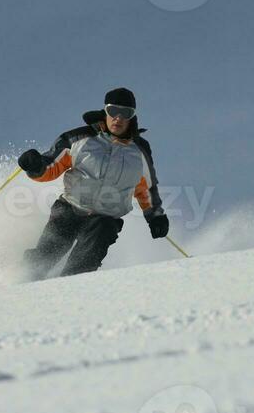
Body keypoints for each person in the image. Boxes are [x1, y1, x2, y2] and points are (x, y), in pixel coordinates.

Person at [16, 88, 170, 279]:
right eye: (113, 111)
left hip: (104, 220)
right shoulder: (79, 139)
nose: (118, 118)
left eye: (126, 113)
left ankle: (69, 294)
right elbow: (50, 168)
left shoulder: (139, 151)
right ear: (105, 111)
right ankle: (18, 284)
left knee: (81, 267)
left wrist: (155, 217)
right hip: (69, 210)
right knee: (42, 260)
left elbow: (145, 187)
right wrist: (35, 166)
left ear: (132, 116)